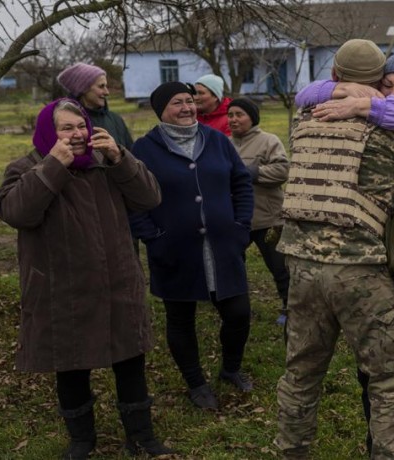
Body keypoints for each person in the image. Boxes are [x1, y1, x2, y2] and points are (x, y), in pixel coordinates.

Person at [274, 39, 394, 460]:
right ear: (378, 81)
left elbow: (308, 97)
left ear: (334, 76)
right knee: (389, 379)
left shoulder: (304, 121)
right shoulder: (386, 131)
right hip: (360, 271)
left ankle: (291, 452)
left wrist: (338, 92)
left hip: (300, 267)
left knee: (301, 373)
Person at [0, 98, 173, 458]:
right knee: (71, 366)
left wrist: (121, 158)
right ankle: (81, 439)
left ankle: (141, 436)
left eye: (82, 126)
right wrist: (53, 166)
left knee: (130, 361)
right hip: (63, 290)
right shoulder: (26, 168)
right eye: (67, 128)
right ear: (49, 132)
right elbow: (17, 213)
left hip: (116, 281)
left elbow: (150, 197)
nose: (77, 134)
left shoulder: (105, 164)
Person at [130, 82, 254, 410]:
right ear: (161, 110)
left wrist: (241, 226)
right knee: (181, 318)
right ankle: (196, 383)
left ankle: (231, 368)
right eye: (177, 103)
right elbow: (132, 199)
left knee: (238, 313)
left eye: (190, 100)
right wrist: (152, 237)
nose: (187, 107)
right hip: (175, 249)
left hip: (223, 246)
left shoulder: (217, 140)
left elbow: (241, 182)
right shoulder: (144, 149)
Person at [228, 97, 292, 326]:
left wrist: (250, 173)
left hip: (268, 218)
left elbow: (282, 171)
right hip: (237, 219)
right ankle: (237, 308)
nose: (234, 119)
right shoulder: (224, 144)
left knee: (280, 267)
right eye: (230, 115)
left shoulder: (268, 141)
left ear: (252, 118)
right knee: (232, 266)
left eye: (239, 114)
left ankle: (290, 308)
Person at [57, 62, 135, 150]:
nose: (107, 92)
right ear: (83, 89)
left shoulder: (116, 120)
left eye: (106, 86)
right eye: (101, 86)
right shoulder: (63, 123)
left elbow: (131, 156)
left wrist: (118, 155)